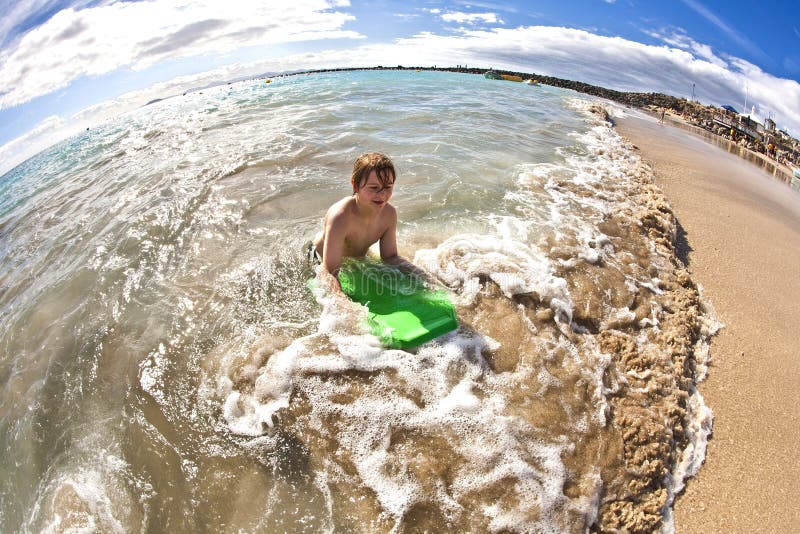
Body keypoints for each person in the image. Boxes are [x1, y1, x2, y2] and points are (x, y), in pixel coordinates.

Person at [309, 152, 426, 296]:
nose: (382, 195)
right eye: (374, 188)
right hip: (319, 257)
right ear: (355, 184)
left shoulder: (389, 214)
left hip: (355, 258)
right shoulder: (340, 217)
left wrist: (422, 276)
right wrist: (342, 303)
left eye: (388, 187)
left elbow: (390, 257)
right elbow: (329, 271)